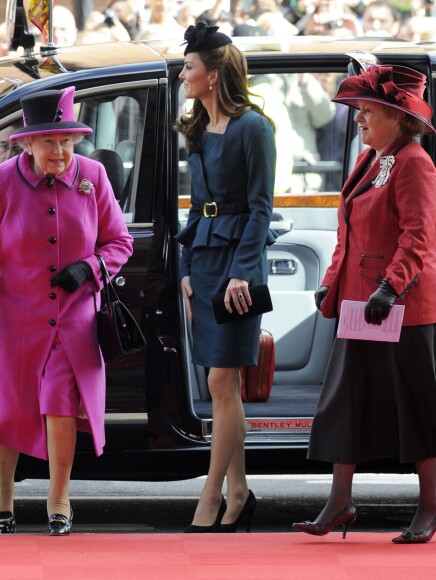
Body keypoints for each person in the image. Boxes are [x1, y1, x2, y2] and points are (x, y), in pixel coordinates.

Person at [0, 86, 133, 535]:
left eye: (68, 141)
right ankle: (3, 494)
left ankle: (59, 499)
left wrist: (89, 268)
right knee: (10, 406)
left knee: (61, 403)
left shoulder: (93, 175)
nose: (61, 151)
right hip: (13, 314)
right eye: (51, 142)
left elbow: (120, 242)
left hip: (73, 316)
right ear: (28, 142)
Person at [292, 64, 436, 544]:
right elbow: (348, 233)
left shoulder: (415, 161)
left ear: (397, 117)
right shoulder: (372, 158)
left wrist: (391, 286)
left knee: (417, 408)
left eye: (366, 111)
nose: (357, 120)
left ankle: (431, 508)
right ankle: (340, 502)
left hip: (403, 308)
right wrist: (332, 282)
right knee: (345, 402)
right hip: (362, 304)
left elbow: (420, 237)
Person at [174, 22, 276, 533]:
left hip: (239, 266)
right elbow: (195, 209)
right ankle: (238, 492)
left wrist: (242, 274)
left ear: (212, 75)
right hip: (206, 262)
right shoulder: (195, 129)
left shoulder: (253, 128)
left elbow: (261, 210)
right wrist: (188, 269)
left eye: (189, 67)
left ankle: (211, 496)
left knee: (221, 381)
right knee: (222, 388)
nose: (183, 74)